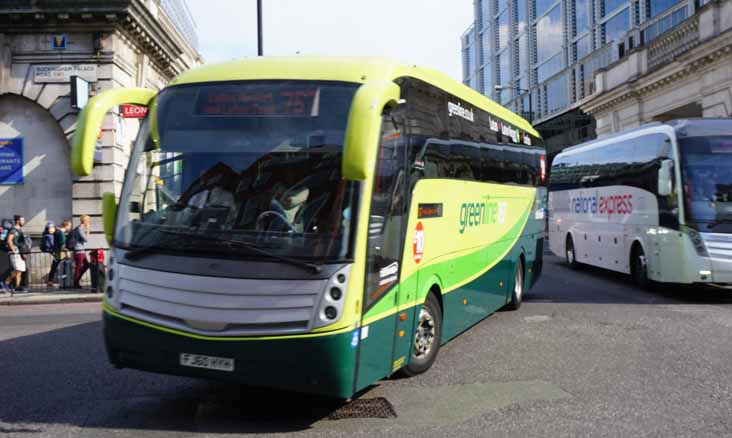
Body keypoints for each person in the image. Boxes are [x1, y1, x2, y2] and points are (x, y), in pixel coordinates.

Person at [6, 215, 28, 294]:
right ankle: (6, 283)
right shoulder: (13, 230)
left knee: (20, 270)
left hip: (20, 252)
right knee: (17, 269)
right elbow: (9, 240)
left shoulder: (20, 230)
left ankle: (17, 287)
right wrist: (13, 250)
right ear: (18, 221)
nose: (24, 221)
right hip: (15, 252)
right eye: (22, 220)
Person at [71, 215, 91, 289]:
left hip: (80, 250)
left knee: (86, 265)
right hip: (79, 251)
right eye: (88, 221)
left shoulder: (78, 228)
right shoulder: (80, 229)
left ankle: (76, 281)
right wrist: (88, 230)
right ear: (85, 221)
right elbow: (86, 239)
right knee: (78, 268)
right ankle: (75, 284)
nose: (89, 222)